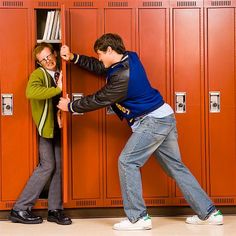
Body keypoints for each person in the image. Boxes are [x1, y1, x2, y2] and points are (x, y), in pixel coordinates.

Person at [58, 33, 223, 230]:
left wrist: (72, 106)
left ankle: (137, 218)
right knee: (176, 168)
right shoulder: (130, 57)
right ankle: (210, 213)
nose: (99, 57)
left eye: (100, 53)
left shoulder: (123, 77)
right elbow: (101, 67)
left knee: (127, 161)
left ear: (110, 50)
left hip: (152, 121)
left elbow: (100, 98)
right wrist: (74, 57)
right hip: (164, 116)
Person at [9, 42, 72, 225]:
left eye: (49, 56)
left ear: (54, 53)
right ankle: (19, 209)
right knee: (47, 166)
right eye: (43, 59)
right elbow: (31, 92)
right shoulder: (38, 74)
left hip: (61, 127)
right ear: (39, 63)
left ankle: (54, 210)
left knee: (58, 167)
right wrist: (58, 89)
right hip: (47, 128)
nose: (48, 61)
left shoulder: (62, 71)